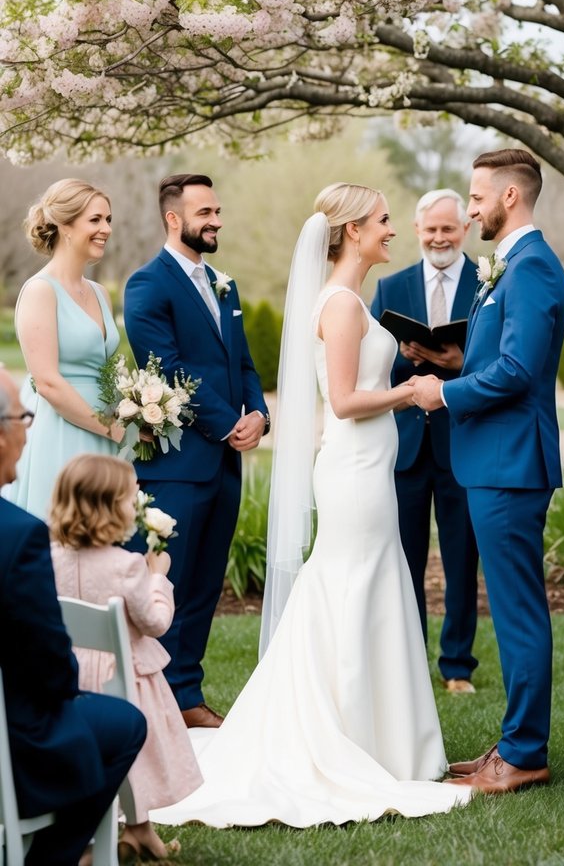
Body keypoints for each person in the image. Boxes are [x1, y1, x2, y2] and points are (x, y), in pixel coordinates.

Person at [151, 183, 472, 828]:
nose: (391, 231)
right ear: (352, 230)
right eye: (384, 221)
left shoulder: (349, 300)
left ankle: (382, 736)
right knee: (351, 585)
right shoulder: (343, 305)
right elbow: (348, 402)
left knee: (369, 583)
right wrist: (411, 389)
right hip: (355, 469)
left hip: (370, 466)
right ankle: (348, 737)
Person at [411, 149, 564, 795]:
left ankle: (525, 753)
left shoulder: (530, 267)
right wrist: (457, 359)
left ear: (509, 196)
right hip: (492, 461)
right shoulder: (508, 268)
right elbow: (497, 357)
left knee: (517, 612)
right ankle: (511, 741)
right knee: (509, 609)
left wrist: (443, 393)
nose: (470, 208)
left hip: (509, 465)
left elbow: (518, 372)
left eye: (476, 197)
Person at [124, 173, 269, 729]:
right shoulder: (146, 285)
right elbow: (169, 367)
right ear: (173, 219)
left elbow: (245, 366)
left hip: (224, 463)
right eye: (205, 212)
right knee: (167, 586)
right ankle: (154, 702)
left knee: (205, 584)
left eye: (217, 210)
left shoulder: (222, 284)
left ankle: (187, 695)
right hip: (177, 467)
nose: (216, 221)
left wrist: (258, 414)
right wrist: (229, 422)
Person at [0, 368, 146, 866]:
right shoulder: (18, 536)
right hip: (14, 733)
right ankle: (52, 858)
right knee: (124, 722)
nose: (28, 427)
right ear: (2, 436)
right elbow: (49, 665)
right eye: (24, 415)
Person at [49, 452, 202, 861]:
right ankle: (98, 836)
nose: (137, 502)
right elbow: (155, 623)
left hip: (75, 676)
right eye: (130, 497)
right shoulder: (128, 566)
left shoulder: (51, 558)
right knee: (138, 751)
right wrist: (159, 576)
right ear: (107, 508)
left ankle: (139, 831)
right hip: (125, 678)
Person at [371, 188, 479, 693]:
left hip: (463, 441)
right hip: (408, 443)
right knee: (405, 557)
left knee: (461, 559)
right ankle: (408, 657)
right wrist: (410, 356)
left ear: (464, 230)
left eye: (449, 229)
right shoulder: (391, 286)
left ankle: (457, 665)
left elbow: (500, 358)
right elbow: (371, 362)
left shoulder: (487, 281)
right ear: (417, 230)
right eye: (431, 229)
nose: (439, 237)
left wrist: (459, 364)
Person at [8, 179, 122, 519]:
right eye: (96, 220)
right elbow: (48, 383)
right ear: (66, 227)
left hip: (105, 434)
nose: (106, 229)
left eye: (108, 220)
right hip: (60, 431)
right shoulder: (40, 290)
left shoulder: (100, 293)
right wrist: (116, 430)